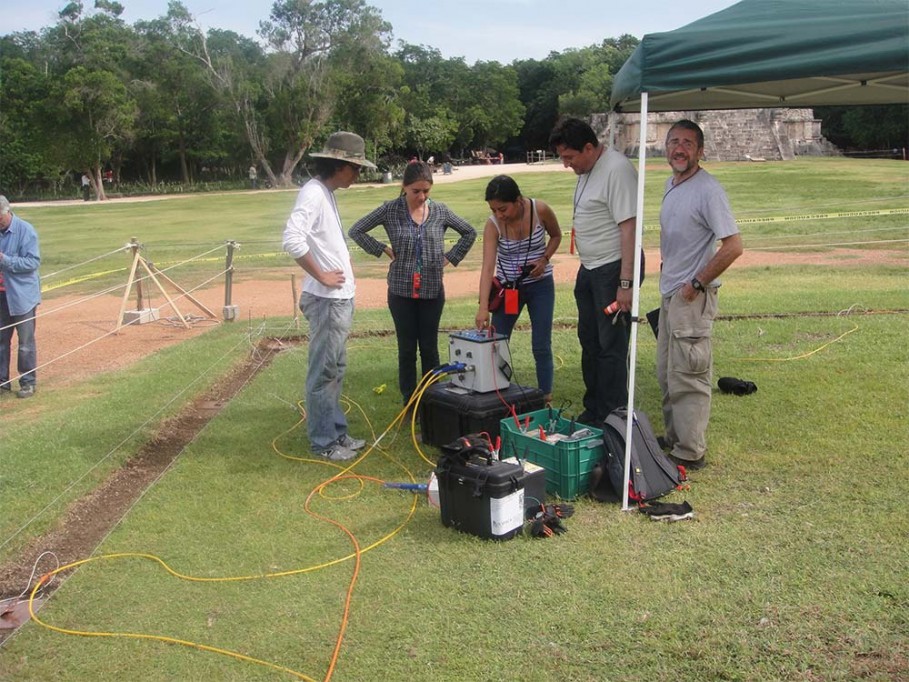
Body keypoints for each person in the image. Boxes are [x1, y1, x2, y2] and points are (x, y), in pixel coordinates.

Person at [282, 132, 376, 461]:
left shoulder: (325, 192)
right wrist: (320, 274)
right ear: (341, 165)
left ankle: (337, 433)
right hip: (326, 300)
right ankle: (324, 443)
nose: (358, 174)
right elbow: (292, 239)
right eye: (356, 168)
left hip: (337, 299)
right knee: (323, 371)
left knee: (335, 367)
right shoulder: (313, 194)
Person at [349, 162, 476, 403]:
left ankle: (433, 401)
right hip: (400, 292)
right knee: (407, 350)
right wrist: (382, 248)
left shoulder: (440, 211)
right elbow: (356, 230)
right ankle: (410, 401)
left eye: (426, 191)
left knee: (429, 348)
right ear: (404, 187)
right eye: (416, 191)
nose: (421, 196)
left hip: (431, 291)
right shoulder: (390, 210)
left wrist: (450, 257)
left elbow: (469, 232)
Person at [656, 120, 743, 470]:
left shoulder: (709, 190)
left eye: (687, 143)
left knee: (689, 375)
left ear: (700, 150)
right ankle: (675, 438)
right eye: (674, 141)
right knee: (666, 372)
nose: (679, 148)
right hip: (670, 295)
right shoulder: (672, 184)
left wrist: (696, 283)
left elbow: (734, 246)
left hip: (691, 298)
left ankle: (690, 451)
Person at [549, 117, 639, 426]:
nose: (566, 165)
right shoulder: (588, 168)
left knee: (611, 346)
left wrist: (625, 283)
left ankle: (613, 417)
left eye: (569, 157)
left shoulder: (616, 170)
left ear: (589, 147)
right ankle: (595, 408)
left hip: (613, 270)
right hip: (590, 269)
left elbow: (629, 229)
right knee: (589, 339)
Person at [475, 175, 561, 403]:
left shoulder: (539, 210)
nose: (499, 215)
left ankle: (545, 396)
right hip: (507, 289)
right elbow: (487, 268)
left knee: (541, 343)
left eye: (502, 209)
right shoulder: (492, 225)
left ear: (518, 200)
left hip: (540, 286)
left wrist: (543, 260)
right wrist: (483, 307)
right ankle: (496, 396)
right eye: (494, 210)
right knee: (498, 342)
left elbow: (556, 236)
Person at [0, 196, 41, 399]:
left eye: (0, 218)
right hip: (1, 297)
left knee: (25, 342)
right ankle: (2, 383)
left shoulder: (26, 230)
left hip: (22, 296)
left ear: (8, 212)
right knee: (1, 340)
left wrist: (5, 260)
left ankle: (28, 383)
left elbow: (32, 262)